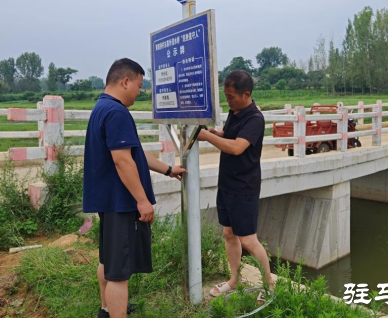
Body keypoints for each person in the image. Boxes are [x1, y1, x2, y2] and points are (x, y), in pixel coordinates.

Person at [82, 58, 186, 318]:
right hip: (121, 202)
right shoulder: (117, 112)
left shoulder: (101, 107)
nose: (140, 93)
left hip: (108, 201)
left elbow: (134, 153)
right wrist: (142, 200)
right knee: (119, 272)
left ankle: (106, 309)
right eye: (139, 86)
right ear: (125, 81)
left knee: (107, 260)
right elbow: (122, 160)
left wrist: (168, 170)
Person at [197, 70, 274, 298]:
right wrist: (215, 131)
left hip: (244, 187)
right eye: (226, 96)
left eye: (231, 96)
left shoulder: (255, 119)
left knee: (248, 239)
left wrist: (207, 137)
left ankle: (269, 285)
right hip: (227, 183)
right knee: (229, 233)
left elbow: (237, 147)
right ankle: (234, 279)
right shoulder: (235, 111)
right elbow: (228, 134)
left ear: (246, 94)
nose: (227, 101)